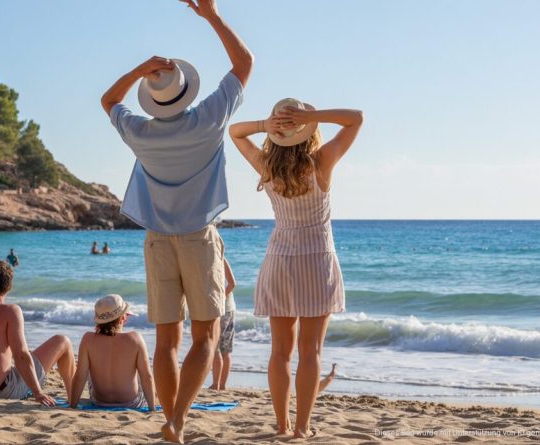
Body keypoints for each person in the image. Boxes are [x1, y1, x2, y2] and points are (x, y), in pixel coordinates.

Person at [101, 0, 252, 442]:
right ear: (186, 90)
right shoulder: (209, 118)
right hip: (199, 240)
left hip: (157, 241)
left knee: (167, 342)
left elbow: (108, 99)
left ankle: (170, 419)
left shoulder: (139, 132)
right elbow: (245, 62)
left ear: (153, 98)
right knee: (206, 337)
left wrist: (140, 68)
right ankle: (177, 420)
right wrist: (211, 16)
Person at [229, 99, 362, 438]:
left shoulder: (268, 167)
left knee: (280, 352)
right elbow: (355, 119)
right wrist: (312, 118)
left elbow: (235, 132)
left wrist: (266, 124)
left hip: (280, 261)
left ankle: (282, 424)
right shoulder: (321, 162)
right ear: (308, 131)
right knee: (310, 351)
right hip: (316, 259)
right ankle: (302, 428)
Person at [0, 261, 75, 406]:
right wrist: (38, 393)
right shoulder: (11, 311)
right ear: (10, 286)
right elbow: (20, 356)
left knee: (26, 354)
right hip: (3, 391)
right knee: (62, 341)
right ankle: (73, 399)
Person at [69, 294, 156, 410]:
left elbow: (80, 376)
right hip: (131, 402)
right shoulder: (135, 338)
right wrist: (152, 409)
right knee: (141, 372)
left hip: (100, 401)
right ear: (123, 318)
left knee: (86, 368)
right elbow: (148, 377)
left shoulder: (88, 339)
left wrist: (73, 406)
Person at [209, 258, 236, 390]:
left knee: (216, 348)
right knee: (225, 349)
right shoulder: (221, 259)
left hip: (222, 309)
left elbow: (232, 284)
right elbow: (232, 284)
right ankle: (222, 385)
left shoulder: (219, 259)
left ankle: (216, 384)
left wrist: (219, 299)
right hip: (230, 309)